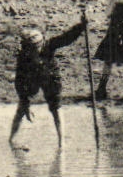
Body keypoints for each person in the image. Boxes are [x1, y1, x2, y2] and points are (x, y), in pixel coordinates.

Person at [8, 19, 88, 148]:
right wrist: (26, 103)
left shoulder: (49, 45)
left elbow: (66, 38)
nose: (35, 46)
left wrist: (81, 26)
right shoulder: (24, 55)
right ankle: (12, 139)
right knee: (21, 108)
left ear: (42, 39)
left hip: (50, 77)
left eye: (37, 41)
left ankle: (61, 143)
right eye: (30, 42)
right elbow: (19, 80)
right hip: (31, 78)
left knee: (56, 108)